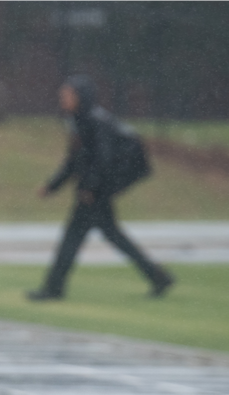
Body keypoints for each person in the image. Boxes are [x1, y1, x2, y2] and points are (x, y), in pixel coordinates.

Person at [28, 75, 173, 301]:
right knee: (112, 236)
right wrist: (52, 186)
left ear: (81, 97)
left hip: (95, 191)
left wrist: (90, 189)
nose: (63, 99)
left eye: (68, 95)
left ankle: (53, 288)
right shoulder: (80, 120)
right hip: (97, 189)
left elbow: (102, 159)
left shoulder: (94, 121)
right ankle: (157, 276)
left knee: (73, 237)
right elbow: (74, 161)